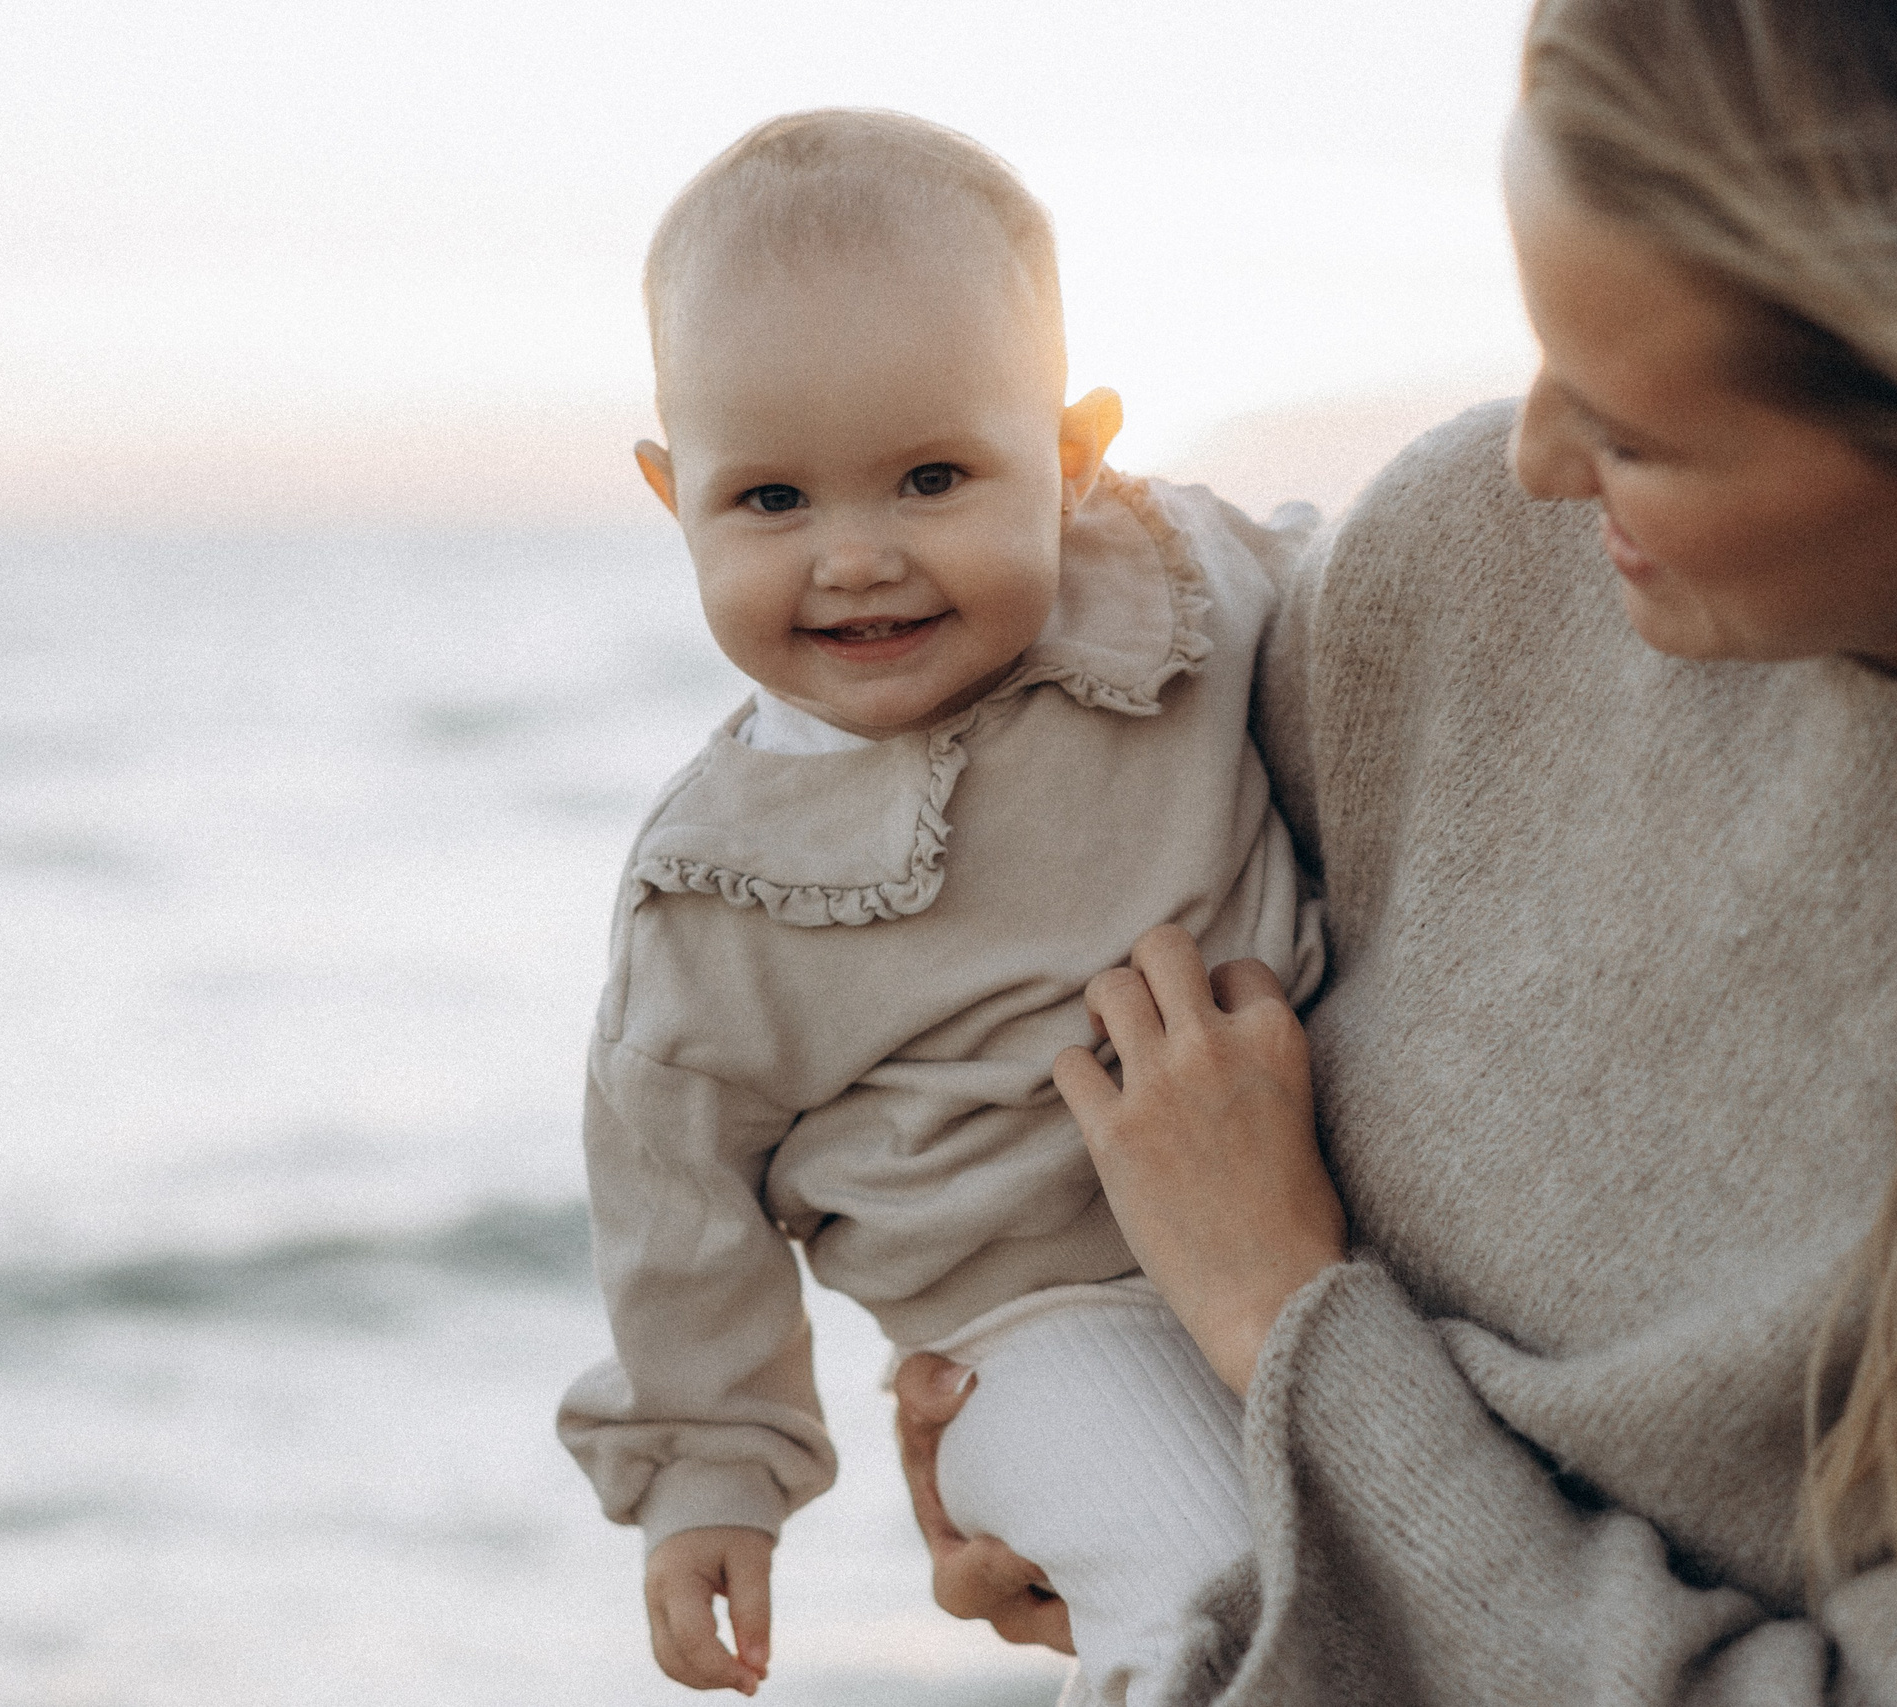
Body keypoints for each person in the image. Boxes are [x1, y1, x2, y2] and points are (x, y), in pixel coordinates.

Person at [897, 0, 1897, 1700]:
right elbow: (1028, 947)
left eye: (1633, 432)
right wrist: (1048, 1414)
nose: (1536, 461)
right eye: (1542, 353)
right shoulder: (1465, 569)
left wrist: (1282, 1338)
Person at [555, 109, 1324, 1704]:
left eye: (928, 478)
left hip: (1312, 1200)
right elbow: (677, 1205)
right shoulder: (718, 888)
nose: (855, 559)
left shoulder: (1176, 588)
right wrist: (710, 1478)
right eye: (770, 501)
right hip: (1039, 1326)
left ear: (1069, 459)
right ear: (668, 493)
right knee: (1208, 1587)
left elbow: (1377, 601)